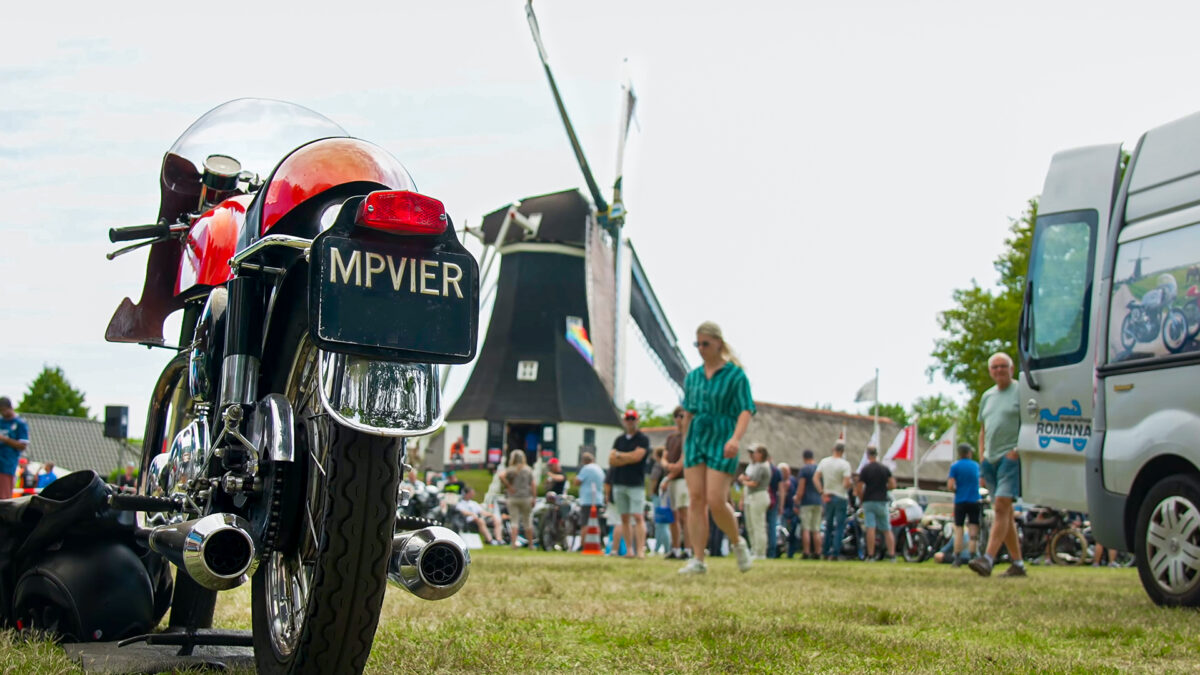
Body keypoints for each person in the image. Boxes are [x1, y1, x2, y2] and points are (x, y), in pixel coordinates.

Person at [677, 321, 756, 575]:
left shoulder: (736, 376)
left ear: (718, 343)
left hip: (723, 438)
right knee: (696, 499)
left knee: (715, 499)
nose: (701, 348)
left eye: (705, 344)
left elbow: (746, 409)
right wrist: (683, 445)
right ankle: (698, 559)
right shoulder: (693, 377)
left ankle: (738, 543)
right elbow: (687, 413)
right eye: (697, 344)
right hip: (696, 438)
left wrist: (735, 439)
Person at [969, 352, 1027, 578]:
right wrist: (982, 457)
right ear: (990, 371)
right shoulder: (987, 397)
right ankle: (1018, 564)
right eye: (995, 367)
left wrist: (1017, 450)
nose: (999, 370)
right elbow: (983, 429)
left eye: (1003, 366)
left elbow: (1030, 422)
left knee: (1002, 506)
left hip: (1010, 457)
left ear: (1011, 369)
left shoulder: (1021, 391)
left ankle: (988, 558)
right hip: (990, 460)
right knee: (1005, 512)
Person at [609, 409, 650, 559]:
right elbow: (611, 460)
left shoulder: (643, 439)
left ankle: (640, 550)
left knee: (638, 516)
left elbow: (637, 457)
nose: (630, 421)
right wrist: (628, 457)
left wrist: (620, 456)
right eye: (628, 419)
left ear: (637, 420)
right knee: (624, 518)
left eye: (633, 419)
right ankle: (629, 550)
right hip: (620, 482)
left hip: (636, 483)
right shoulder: (619, 439)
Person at [856, 446, 896, 561]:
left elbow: (859, 488)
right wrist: (884, 489)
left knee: (870, 527)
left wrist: (862, 499)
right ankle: (892, 555)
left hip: (869, 501)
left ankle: (871, 555)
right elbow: (893, 484)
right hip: (882, 501)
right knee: (887, 529)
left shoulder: (865, 469)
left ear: (868, 455)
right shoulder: (884, 468)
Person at [815, 441, 853, 561]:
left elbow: (815, 478)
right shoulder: (845, 465)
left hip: (827, 496)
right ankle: (835, 552)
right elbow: (846, 483)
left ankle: (825, 551)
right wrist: (848, 485)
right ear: (842, 451)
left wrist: (821, 491)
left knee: (828, 525)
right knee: (840, 526)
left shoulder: (824, 462)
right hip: (840, 496)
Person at [946, 442, 982, 567]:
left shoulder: (955, 466)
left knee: (959, 529)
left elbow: (950, 485)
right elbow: (982, 482)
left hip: (960, 501)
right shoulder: (976, 466)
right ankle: (973, 555)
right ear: (969, 453)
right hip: (974, 500)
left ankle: (957, 557)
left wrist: (957, 490)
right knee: (973, 529)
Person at [661, 406, 690, 559]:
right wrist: (667, 466)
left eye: (683, 416)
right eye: (678, 416)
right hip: (671, 480)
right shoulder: (671, 438)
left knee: (685, 515)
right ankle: (676, 548)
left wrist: (669, 475)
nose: (680, 419)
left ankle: (689, 550)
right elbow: (664, 457)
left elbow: (683, 462)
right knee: (673, 517)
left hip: (683, 480)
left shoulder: (689, 437)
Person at [738, 444, 772, 559]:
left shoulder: (763, 466)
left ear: (761, 454)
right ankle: (754, 550)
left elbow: (754, 483)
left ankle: (760, 552)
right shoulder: (754, 466)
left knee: (758, 525)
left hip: (759, 496)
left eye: (756, 452)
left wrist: (744, 481)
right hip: (752, 497)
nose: (753, 455)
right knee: (751, 526)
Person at [501, 450, 535, 549]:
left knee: (514, 522)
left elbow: (501, 476)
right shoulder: (528, 469)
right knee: (527, 521)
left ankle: (513, 544)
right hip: (526, 497)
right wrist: (534, 497)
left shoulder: (510, 469)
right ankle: (531, 544)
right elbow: (533, 485)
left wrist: (509, 487)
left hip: (513, 498)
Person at [794, 449, 823, 559]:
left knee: (806, 528)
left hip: (807, 502)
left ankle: (806, 552)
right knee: (816, 529)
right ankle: (818, 552)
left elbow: (801, 487)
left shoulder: (804, 470)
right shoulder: (819, 469)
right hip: (818, 502)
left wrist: (797, 499)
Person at [0, 397, 30, 500]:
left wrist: (5, 439)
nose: (3, 413)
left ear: (10, 408)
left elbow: (22, 445)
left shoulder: (20, 423)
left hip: (7, 464)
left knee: (3, 497)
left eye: (4, 410)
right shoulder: (0, 421)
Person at [648, 447, 672, 555]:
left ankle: (660, 549)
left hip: (658, 496)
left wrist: (651, 492)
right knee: (664, 524)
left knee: (660, 524)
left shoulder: (658, 465)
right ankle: (665, 548)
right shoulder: (667, 466)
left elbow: (654, 479)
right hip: (666, 496)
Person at [778, 462, 798, 558]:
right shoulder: (779, 481)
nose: (788, 473)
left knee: (793, 533)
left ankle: (790, 553)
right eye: (786, 471)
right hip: (782, 510)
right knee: (781, 532)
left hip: (792, 510)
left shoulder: (793, 480)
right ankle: (779, 551)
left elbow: (796, 494)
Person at [765, 457, 783, 558]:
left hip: (763, 499)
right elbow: (781, 490)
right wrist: (781, 505)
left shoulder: (762, 468)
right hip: (774, 501)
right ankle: (772, 552)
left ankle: (763, 550)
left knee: (762, 526)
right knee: (772, 526)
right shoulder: (777, 471)